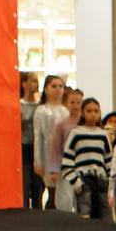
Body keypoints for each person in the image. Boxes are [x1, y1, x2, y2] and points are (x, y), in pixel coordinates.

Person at [61, 98, 114, 220]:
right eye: (89, 111)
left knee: (105, 213)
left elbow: (109, 160)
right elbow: (67, 160)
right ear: (83, 113)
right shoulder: (76, 133)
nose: (93, 114)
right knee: (84, 213)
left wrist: (110, 181)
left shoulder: (103, 134)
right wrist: (75, 181)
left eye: (96, 111)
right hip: (83, 179)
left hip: (101, 179)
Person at [31, 73, 68, 209]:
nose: (58, 89)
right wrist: (38, 162)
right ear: (46, 89)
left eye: (60, 86)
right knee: (52, 191)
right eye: (54, 86)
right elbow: (38, 137)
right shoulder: (41, 111)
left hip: (65, 155)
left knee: (64, 192)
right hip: (48, 154)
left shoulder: (66, 111)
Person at [46, 84, 84, 207]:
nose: (75, 106)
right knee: (65, 199)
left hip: (83, 165)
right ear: (67, 103)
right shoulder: (61, 124)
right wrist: (54, 169)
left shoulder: (86, 123)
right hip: (66, 166)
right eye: (72, 102)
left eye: (78, 102)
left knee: (82, 199)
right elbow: (55, 148)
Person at [20, 72, 42, 210]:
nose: (36, 84)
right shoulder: (19, 104)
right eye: (33, 81)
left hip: (37, 146)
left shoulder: (40, 105)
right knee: (25, 180)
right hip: (23, 145)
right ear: (24, 83)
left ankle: (37, 209)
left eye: (37, 81)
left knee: (38, 183)